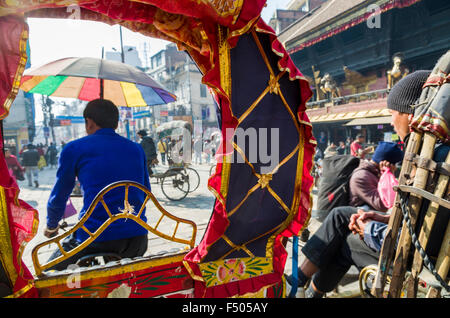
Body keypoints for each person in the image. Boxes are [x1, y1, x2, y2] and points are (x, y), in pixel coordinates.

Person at [286, 70, 448, 298]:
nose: (391, 122)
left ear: (410, 115)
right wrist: (381, 217)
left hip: (418, 260)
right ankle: (301, 284)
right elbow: (416, 217)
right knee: (342, 216)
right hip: (413, 242)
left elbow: (418, 241)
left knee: (343, 243)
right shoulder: (438, 155)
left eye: (393, 113)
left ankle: (302, 287)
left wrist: (369, 228)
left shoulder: (432, 162)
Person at [45, 99, 150, 270]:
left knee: (47, 271)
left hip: (93, 237)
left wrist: (52, 224)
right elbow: (145, 191)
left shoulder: (73, 149)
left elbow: (60, 195)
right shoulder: (136, 148)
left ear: (89, 122)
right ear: (116, 123)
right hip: (137, 238)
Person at [349, 141, 403, 212]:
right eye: (395, 164)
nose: (395, 168)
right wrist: (388, 174)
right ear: (386, 163)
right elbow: (383, 205)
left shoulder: (374, 173)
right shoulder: (361, 177)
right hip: (361, 218)